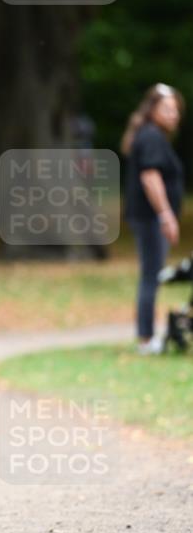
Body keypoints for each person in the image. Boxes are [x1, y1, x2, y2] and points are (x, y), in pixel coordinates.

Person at [121, 83, 186, 354]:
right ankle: (146, 340)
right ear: (152, 109)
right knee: (151, 275)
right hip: (150, 218)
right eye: (167, 109)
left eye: (176, 110)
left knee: (152, 275)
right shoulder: (151, 137)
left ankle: (146, 337)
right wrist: (165, 214)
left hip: (150, 217)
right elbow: (150, 177)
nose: (174, 115)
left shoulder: (151, 135)